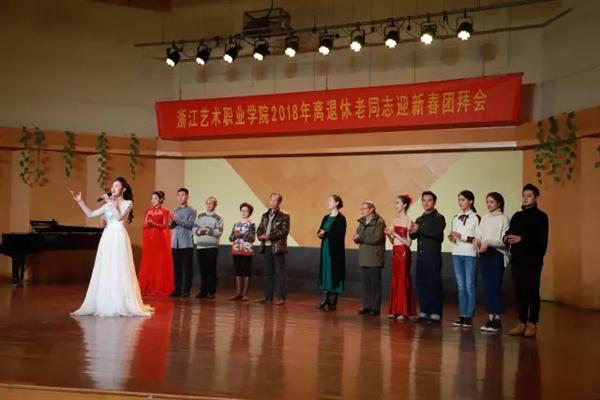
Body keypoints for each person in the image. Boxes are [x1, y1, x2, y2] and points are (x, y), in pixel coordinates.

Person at [70, 177, 153, 317]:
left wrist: (109, 202)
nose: (113, 188)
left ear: (123, 189)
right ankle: (106, 301)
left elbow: (119, 217)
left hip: (119, 235)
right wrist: (80, 202)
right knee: (106, 266)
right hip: (107, 236)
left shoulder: (128, 203)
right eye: (112, 186)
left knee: (119, 267)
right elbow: (91, 214)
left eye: (116, 186)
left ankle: (121, 302)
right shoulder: (108, 204)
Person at [504, 184, 549, 338]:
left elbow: (541, 241)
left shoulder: (541, 217)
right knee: (519, 291)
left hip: (533, 260)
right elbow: (509, 233)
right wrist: (506, 238)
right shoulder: (517, 216)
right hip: (517, 259)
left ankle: (532, 322)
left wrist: (521, 239)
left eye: (529, 196)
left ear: (536, 198)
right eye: (523, 195)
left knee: (532, 291)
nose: (525, 198)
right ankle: (522, 321)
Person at [474, 192, 510, 333]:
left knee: (495, 287)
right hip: (484, 255)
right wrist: (477, 241)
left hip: (497, 254)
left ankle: (497, 320)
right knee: (487, 288)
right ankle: (490, 318)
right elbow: (479, 235)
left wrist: (489, 242)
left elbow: (504, 241)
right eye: (487, 201)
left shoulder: (504, 219)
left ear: (499, 203)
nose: (488, 204)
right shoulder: (484, 218)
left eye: (492, 202)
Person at [409, 191, 446, 324]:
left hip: (433, 256)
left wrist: (419, 229)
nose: (426, 203)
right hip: (421, 256)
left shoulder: (438, 218)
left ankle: (435, 313)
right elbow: (413, 236)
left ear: (434, 202)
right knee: (422, 284)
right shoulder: (420, 218)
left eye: (429, 200)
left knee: (433, 284)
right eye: (424, 200)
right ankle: (424, 311)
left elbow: (437, 233)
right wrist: (411, 229)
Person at [449, 190, 480, 328]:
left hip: (470, 254)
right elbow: (454, 236)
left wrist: (461, 236)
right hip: (457, 253)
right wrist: (452, 238)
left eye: (463, 200)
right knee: (461, 287)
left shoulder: (476, 218)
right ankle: (462, 315)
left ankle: (469, 316)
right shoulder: (456, 217)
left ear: (471, 201)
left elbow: (478, 238)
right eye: (459, 200)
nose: (460, 202)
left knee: (469, 286)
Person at [384, 194, 417, 320]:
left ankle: (404, 311)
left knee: (403, 278)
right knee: (396, 279)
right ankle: (395, 310)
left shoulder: (409, 221)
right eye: (395, 203)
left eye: (398, 203)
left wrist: (395, 234)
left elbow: (408, 243)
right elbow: (393, 241)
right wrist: (388, 235)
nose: (395, 205)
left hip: (403, 252)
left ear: (404, 205)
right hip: (395, 251)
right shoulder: (395, 221)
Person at [255, 193, 290, 306]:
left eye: (275, 200)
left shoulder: (284, 216)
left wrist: (269, 236)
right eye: (271, 200)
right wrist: (260, 235)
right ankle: (268, 297)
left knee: (280, 273)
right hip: (266, 247)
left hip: (277, 247)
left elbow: (284, 231)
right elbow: (259, 228)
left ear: (279, 202)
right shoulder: (265, 215)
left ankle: (281, 297)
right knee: (268, 273)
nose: (272, 202)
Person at [138, 191, 175, 297]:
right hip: (150, 240)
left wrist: (153, 224)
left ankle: (158, 286)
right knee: (149, 262)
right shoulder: (148, 211)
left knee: (158, 263)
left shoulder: (165, 211)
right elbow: (144, 225)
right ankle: (147, 286)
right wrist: (148, 224)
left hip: (160, 240)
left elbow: (164, 225)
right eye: (152, 198)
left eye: (155, 198)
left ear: (160, 200)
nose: (153, 200)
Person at [354, 201, 386, 316]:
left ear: (371, 209)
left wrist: (360, 238)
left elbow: (376, 238)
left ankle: (375, 307)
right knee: (366, 284)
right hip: (364, 256)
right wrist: (356, 237)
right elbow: (358, 234)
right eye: (361, 209)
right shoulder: (362, 222)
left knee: (375, 284)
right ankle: (367, 306)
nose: (362, 211)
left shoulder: (379, 222)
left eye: (364, 208)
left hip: (374, 256)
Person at [316, 194, 347, 311]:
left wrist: (326, 233)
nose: (328, 203)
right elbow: (320, 230)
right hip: (325, 248)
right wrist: (320, 234)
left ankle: (333, 299)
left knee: (334, 272)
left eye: (330, 201)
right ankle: (325, 298)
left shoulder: (341, 218)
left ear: (337, 203)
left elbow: (340, 235)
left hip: (335, 251)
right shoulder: (326, 217)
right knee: (326, 272)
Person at [193, 196, 224, 299]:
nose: (209, 205)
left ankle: (211, 291)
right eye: (207, 203)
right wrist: (199, 231)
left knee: (211, 270)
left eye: (211, 203)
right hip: (200, 247)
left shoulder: (218, 217)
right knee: (202, 270)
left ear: (215, 205)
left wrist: (206, 230)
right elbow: (194, 229)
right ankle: (203, 291)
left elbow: (219, 232)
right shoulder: (200, 215)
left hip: (212, 247)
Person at [169, 188, 197, 297]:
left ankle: (186, 290)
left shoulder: (192, 210)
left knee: (187, 268)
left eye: (183, 195)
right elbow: (171, 226)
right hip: (175, 242)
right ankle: (177, 289)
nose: (181, 197)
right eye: (179, 195)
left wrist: (177, 219)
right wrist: (171, 222)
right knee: (177, 268)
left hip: (186, 242)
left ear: (187, 197)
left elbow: (190, 225)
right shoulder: (175, 210)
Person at [228, 202, 256, 301]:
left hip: (247, 250)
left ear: (250, 213)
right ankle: (238, 293)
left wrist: (242, 235)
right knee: (238, 270)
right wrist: (236, 235)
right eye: (242, 210)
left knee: (247, 270)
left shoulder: (251, 224)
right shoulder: (236, 223)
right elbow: (230, 238)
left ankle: (245, 294)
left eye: (246, 211)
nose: (244, 212)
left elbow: (252, 238)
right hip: (236, 249)